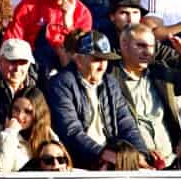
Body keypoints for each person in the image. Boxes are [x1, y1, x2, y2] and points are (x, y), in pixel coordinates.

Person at [45, 30, 147, 168]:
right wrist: (104, 154)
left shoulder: (110, 83)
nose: (102, 65)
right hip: (78, 162)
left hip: (111, 158)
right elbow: (71, 131)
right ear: (79, 59)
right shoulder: (61, 83)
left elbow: (127, 123)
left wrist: (140, 154)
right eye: (96, 59)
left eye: (105, 60)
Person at [111, 23, 181, 168]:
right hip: (134, 162)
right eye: (141, 46)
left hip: (171, 161)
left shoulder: (160, 72)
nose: (147, 52)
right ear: (124, 45)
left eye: (150, 46)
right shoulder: (110, 77)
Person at [4, 0, 92, 72]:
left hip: (68, 70)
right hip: (32, 67)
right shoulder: (28, 6)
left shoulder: (82, 12)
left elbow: (83, 55)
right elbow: (12, 41)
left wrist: (69, 24)